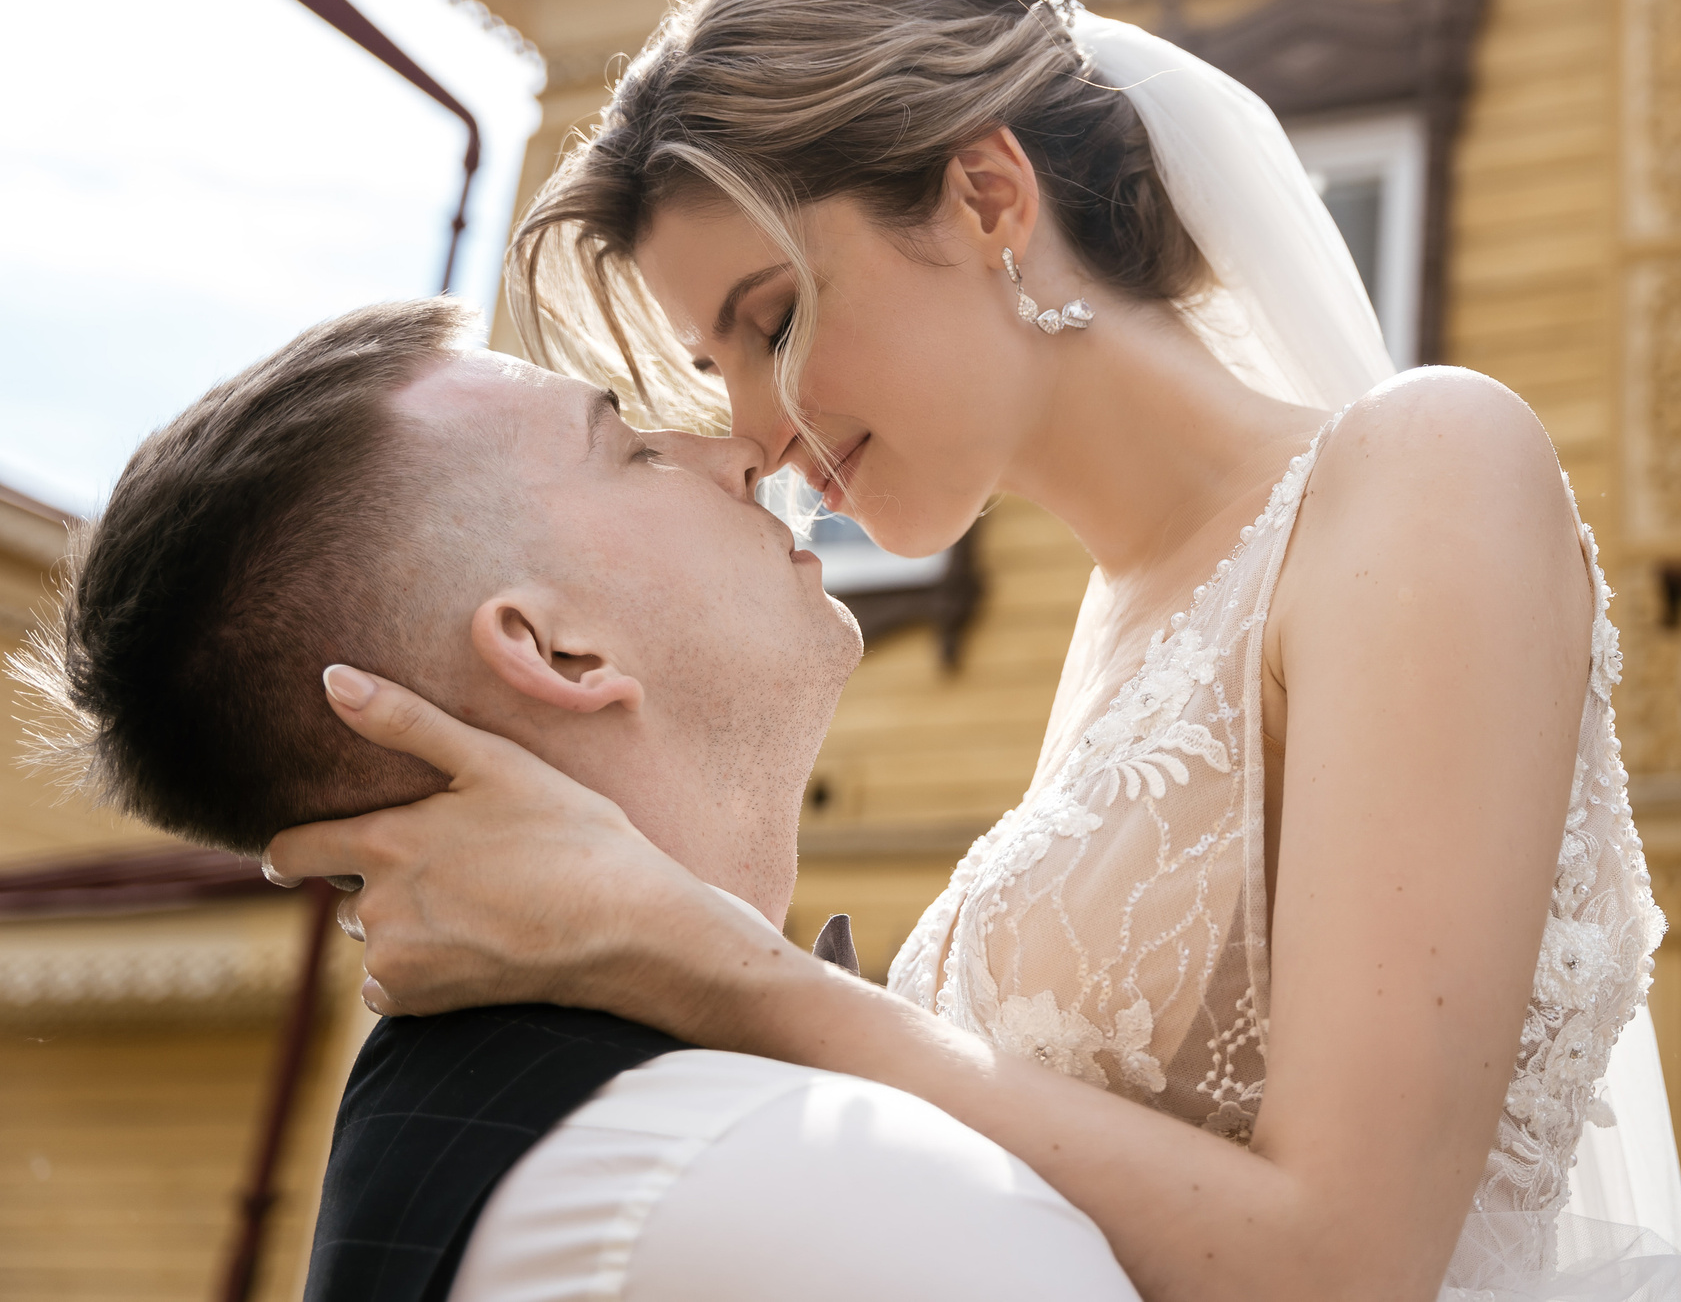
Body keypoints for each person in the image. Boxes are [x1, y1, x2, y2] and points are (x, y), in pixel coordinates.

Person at [269, 0, 1681, 1301]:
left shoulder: (1423, 470)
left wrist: (711, 965)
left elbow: (1340, 1267)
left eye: (774, 320)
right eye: (718, 371)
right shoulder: (1112, 635)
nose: (760, 429)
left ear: (987, 196)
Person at [14, 297, 1143, 1302]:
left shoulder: (553, 1143)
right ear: (554, 649)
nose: (737, 453)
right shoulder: (798, 1189)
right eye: (631, 451)